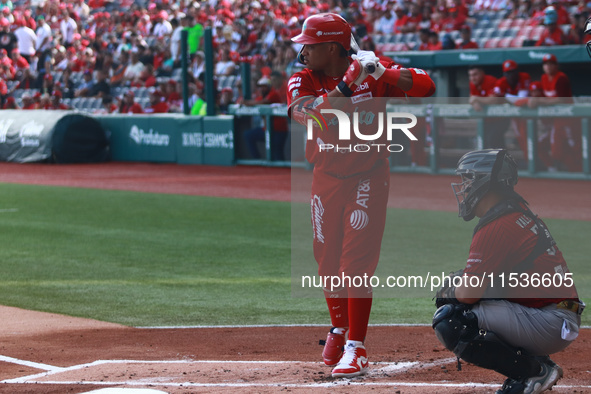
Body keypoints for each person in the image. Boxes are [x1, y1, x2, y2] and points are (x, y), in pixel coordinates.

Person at [287, 13, 435, 378]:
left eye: (310, 44)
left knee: (354, 265)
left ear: (332, 47)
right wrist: (347, 88)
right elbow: (310, 117)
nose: (303, 51)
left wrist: (381, 74)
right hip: (325, 177)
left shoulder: (370, 67)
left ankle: (357, 347)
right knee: (326, 261)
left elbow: (427, 86)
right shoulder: (302, 77)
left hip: (367, 176)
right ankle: (338, 328)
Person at [433, 149, 583, 394]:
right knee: (464, 298)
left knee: (450, 319)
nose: (465, 188)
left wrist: (453, 287)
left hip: (551, 322)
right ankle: (538, 364)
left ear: (485, 182)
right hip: (557, 315)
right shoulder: (517, 211)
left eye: (468, 180)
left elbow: (468, 295)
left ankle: (533, 373)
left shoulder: (498, 225)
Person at [528, 54, 581, 172]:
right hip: (557, 119)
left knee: (575, 147)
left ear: (556, 65)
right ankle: (563, 170)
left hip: (569, 117)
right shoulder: (544, 78)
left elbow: (561, 99)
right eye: (545, 64)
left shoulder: (561, 77)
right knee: (557, 151)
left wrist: (540, 101)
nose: (548, 66)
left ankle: (580, 172)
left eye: (551, 64)